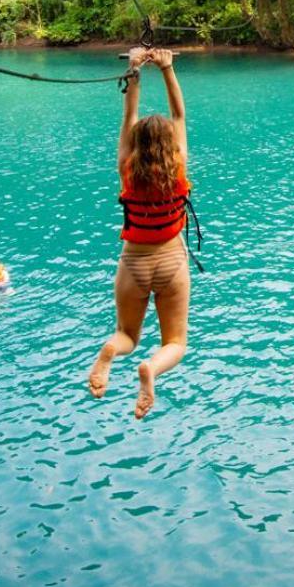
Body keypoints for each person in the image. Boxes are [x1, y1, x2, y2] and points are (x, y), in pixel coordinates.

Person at [87, 47, 191, 420]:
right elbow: (178, 114)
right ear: (168, 146)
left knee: (127, 335)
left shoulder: (127, 169)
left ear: (136, 147)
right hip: (171, 262)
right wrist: (167, 68)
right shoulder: (177, 168)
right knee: (175, 343)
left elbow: (129, 114)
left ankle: (110, 352)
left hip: (133, 262)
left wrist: (135, 68)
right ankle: (150, 370)